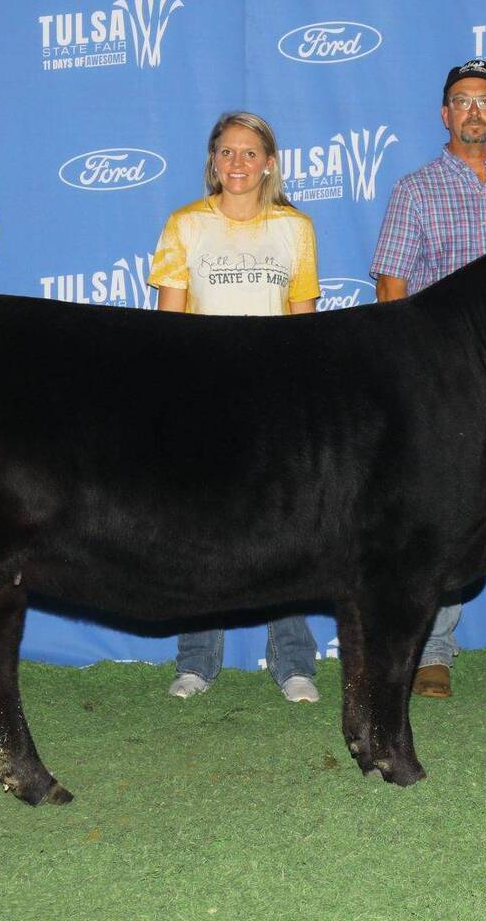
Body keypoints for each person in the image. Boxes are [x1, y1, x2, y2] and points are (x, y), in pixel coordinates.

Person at [369, 58, 486, 698]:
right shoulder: (415, 191)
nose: (474, 110)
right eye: (462, 100)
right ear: (445, 114)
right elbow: (392, 290)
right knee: (439, 523)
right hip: (444, 397)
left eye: (485, 101)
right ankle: (432, 652)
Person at [147, 110, 322, 704]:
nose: (238, 163)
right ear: (212, 161)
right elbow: (167, 329)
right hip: (204, 400)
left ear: (269, 162)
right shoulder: (184, 225)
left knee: (288, 530)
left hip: (276, 404)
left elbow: (306, 328)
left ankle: (294, 661)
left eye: (250, 153)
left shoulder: (295, 228)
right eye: (226, 152)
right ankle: (197, 661)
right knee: (201, 530)